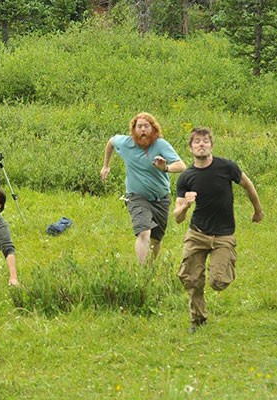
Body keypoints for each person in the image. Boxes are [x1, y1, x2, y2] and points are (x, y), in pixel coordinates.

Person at [174, 127, 264, 333]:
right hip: (197, 233)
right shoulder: (186, 177)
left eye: (205, 141)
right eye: (196, 141)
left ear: (211, 145)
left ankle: (227, 260)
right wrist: (186, 206)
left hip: (223, 234)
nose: (201, 144)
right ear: (190, 148)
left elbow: (248, 185)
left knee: (218, 281)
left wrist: (257, 210)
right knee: (191, 279)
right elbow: (177, 217)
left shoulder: (227, 167)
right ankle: (198, 319)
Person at [100, 112, 186, 265]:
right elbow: (111, 142)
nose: (143, 130)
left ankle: (149, 269)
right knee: (144, 232)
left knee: (156, 239)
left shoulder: (161, 145)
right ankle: (141, 273)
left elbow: (181, 166)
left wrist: (165, 167)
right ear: (134, 130)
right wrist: (106, 166)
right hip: (136, 196)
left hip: (161, 198)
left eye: (146, 126)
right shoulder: (126, 143)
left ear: (153, 129)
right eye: (139, 126)